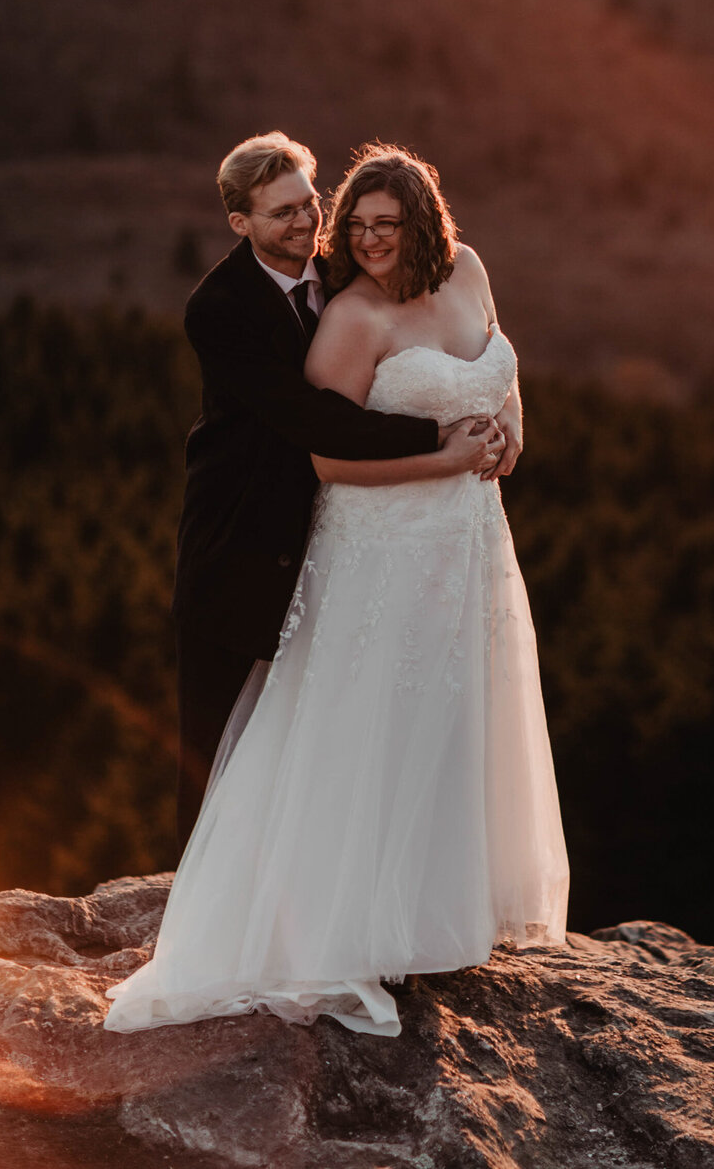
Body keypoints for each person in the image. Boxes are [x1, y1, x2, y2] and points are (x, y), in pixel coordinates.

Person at [105, 144, 568, 1037]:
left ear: (426, 222)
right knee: (288, 734)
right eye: (347, 222)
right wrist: (447, 451)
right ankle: (238, 919)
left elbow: (497, 365)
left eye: (322, 209)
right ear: (240, 220)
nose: (344, 233)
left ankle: (425, 916)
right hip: (269, 539)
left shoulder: (453, 270)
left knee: (445, 717)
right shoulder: (267, 308)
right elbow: (320, 434)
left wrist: (509, 430)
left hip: (465, 542)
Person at [172, 131, 503, 847]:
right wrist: (440, 439)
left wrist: (499, 417)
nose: (305, 222)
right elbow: (310, 418)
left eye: (308, 204)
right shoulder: (220, 307)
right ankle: (192, 895)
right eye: (281, 213)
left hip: (343, 534)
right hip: (243, 538)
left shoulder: (346, 267)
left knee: (326, 732)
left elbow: (469, 337)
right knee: (218, 743)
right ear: (240, 222)